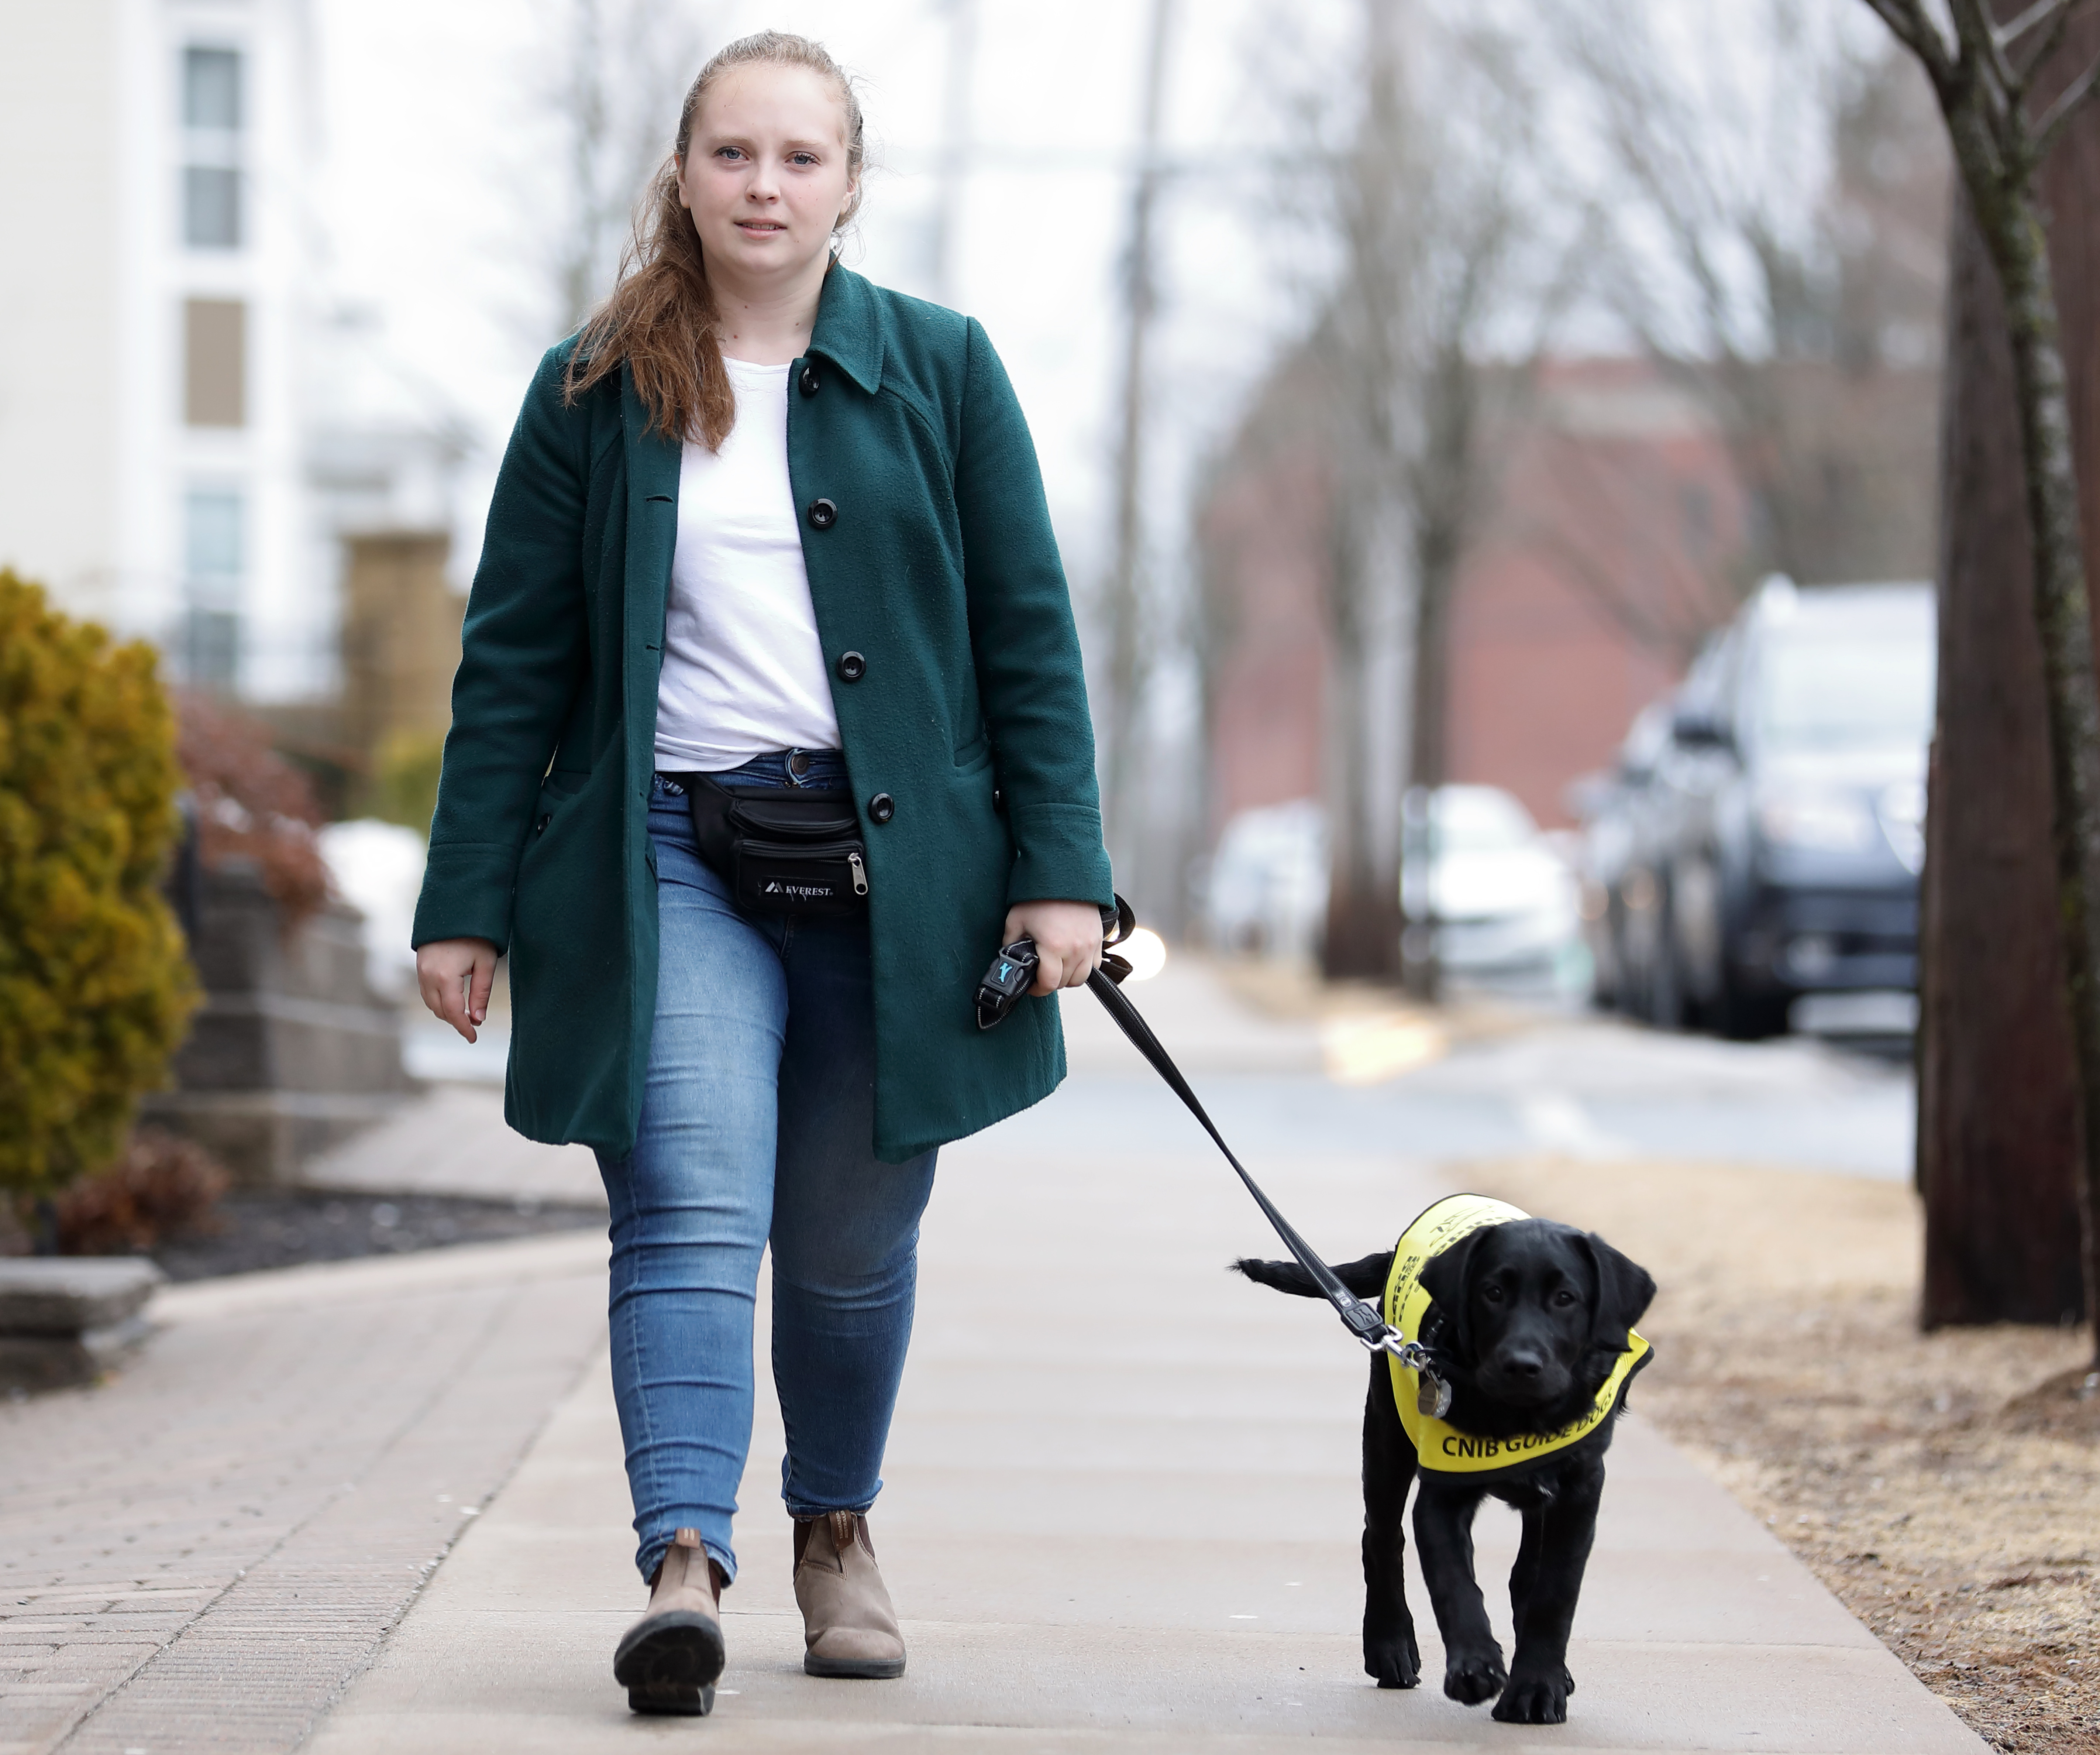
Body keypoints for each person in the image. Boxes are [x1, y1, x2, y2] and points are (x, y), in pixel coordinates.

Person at [410, 28, 1112, 1719]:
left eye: (800, 158)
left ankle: (835, 1527)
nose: (765, 186)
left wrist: (1061, 872)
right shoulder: (593, 388)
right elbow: (513, 661)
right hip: (674, 856)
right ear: (683, 173)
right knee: (689, 1202)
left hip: (901, 872)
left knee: (852, 1247)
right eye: (733, 154)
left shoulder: (941, 372)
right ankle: (680, 1563)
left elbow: (1029, 637)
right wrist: (465, 897)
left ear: (851, 184)